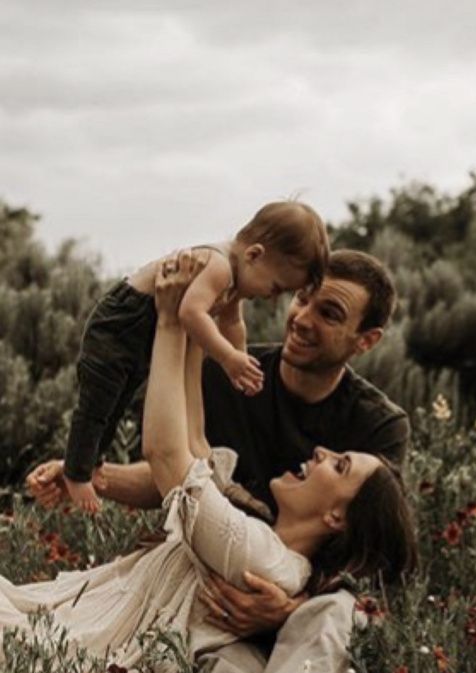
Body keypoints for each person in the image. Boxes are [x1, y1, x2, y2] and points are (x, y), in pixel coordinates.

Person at [8, 262, 416, 673]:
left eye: (328, 312)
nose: (302, 317)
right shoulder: (239, 373)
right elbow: (189, 469)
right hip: (218, 595)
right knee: (224, 659)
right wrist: (92, 478)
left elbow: (376, 548)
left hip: (288, 592)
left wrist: (288, 607)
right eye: (301, 298)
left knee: (332, 612)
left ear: (366, 339)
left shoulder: (376, 427)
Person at [63, 200, 329, 514]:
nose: (272, 297)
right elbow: (191, 313)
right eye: (275, 287)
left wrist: (240, 363)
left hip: (142, 332)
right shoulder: (218, 266)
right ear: (254, 254)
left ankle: (92, 462)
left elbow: (232, 323)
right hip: (121, 323)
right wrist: (228, 357)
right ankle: (75, 473)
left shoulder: (235, 282)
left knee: (118, 401)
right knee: (99, 401)